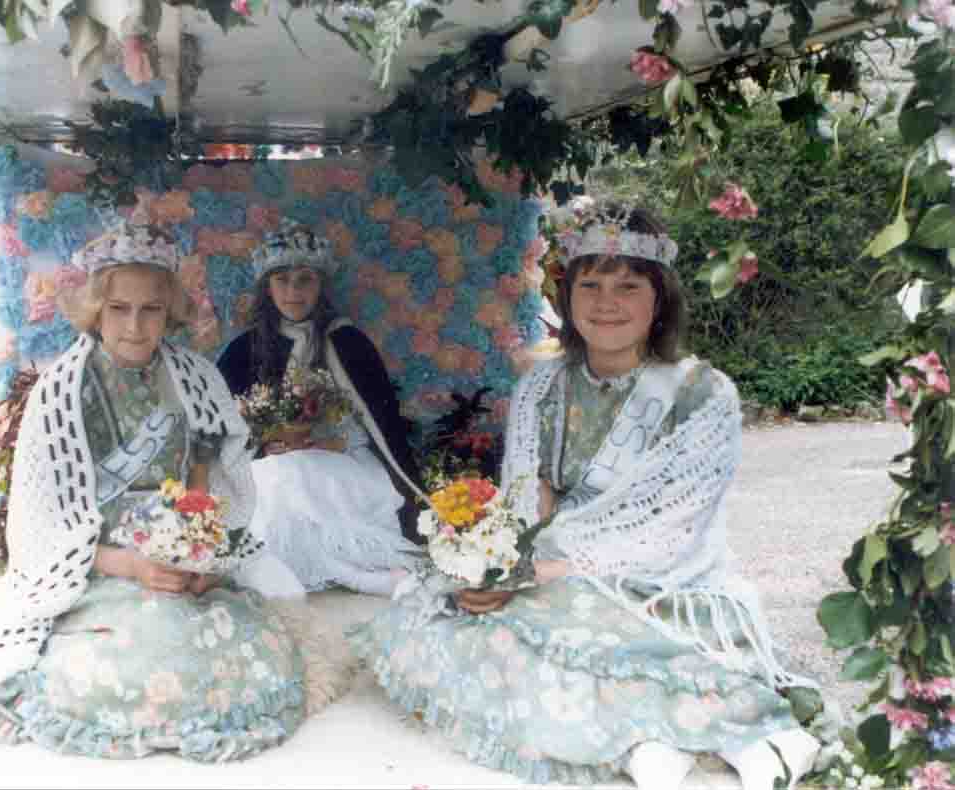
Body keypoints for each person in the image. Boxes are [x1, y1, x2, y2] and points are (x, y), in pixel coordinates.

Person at [351, 204, 820, 790]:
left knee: (573, 626)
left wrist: (549, 566)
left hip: (662, 575)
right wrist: (496, 566)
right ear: (567, 296)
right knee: (448, 614)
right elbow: (527, 505)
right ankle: (638, 740)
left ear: (660, 300)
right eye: (590, 284)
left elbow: (674, 530)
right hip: (551, 556)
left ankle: (717, 729)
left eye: (628, 286)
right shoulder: (543, 384)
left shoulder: (703, 393)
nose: (606, 302)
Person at [0, 218, 340, 766]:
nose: (135, 325)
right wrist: (132, 567)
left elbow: (207, 477)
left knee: (243, 651)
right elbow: (49, 521)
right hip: (100, 565)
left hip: (180, 552)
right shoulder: (61, 390)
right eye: (119, 309)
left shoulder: (197, 378)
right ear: (95, 310)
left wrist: (204, 553)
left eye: (151, 309)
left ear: (170, 311)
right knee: (122, 659)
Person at [217, 221, 424, 597]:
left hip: (345, 460)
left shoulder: (347, 342)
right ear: (267, 287)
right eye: (282, 280)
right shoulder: (244, 349)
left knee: (294, 475)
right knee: (278, 476)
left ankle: (355, 573)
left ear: (321, 287)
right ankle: (345, 575)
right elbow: (224, 427)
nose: (293, 291)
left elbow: (375, 422)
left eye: (305, 280)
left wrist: (326, 442)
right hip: (275, 462)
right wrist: (267, 445)